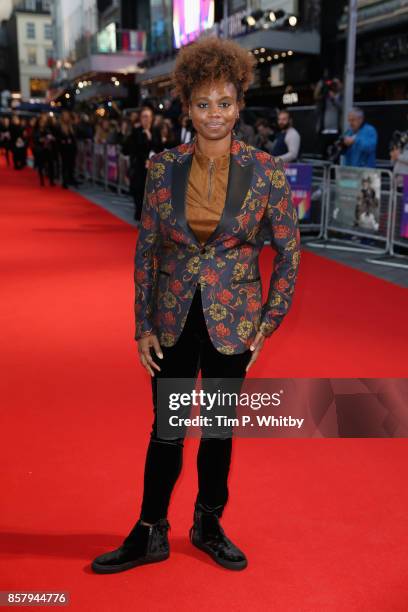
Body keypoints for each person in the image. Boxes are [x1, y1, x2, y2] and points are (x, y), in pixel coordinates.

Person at [91, 37, 301, 575]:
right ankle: (150, 531)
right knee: (167, 428)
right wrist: (142, 325)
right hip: (174, 318)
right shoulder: (163, 169)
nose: (214, 114)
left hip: (234, 321)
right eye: (203, 104)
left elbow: (290, 252)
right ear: (187, 105)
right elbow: (146, 251)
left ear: (239, 103)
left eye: (224, 103)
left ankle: (208, 523)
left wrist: (267, 325)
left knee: (218, 429)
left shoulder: (266, 172)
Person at [122, 105, 163, 221]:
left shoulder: (155, 131)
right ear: (140, 118)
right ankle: (140, 215)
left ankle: (149, 217)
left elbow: (160, 148)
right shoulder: (136, 132)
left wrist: (150, 139)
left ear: (152, 118)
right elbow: (131, 149)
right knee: (138, 191)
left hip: (153, 167)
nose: (146, 119)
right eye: (144, 117)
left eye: (148, 116)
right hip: (139, 166)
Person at [314, 77, 342, 159]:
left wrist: (334, 98)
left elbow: (341, 108)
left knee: (335, 156)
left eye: (334, 85)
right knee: (324, 156)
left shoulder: (341, 97)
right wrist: (320, 85)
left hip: (336, 131)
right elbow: (316, 97)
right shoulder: (324, 97)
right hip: (324, 131)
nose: (333, 86)